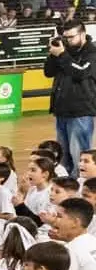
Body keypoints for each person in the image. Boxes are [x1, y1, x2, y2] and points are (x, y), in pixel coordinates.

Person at [44, 20, 96, 174]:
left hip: (81, 112)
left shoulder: (92, 53)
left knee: (79, 157)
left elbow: (81, 72)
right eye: (65, 37)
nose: (68, 41)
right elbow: (48, 72)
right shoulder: (64, 52)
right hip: (62, 111)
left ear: (83, 34)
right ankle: (66, 186)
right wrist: (53, 55)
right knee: (63, 159)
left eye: (71, 37)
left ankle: (82, 186)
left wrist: (62, 55)